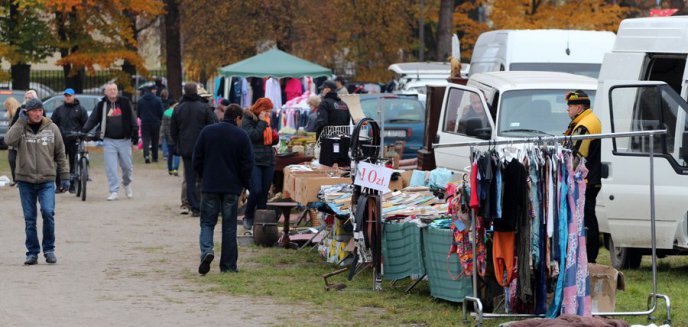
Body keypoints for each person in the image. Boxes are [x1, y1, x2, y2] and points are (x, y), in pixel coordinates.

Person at [4, 99, 69, 265]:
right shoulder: (20, 128)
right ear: (27, 112)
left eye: (40, 110)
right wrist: (19, 121)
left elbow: (60, 154)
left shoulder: (52, 128)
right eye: (34, 110)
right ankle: (32, 252)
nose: (38, 113)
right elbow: (8, 141)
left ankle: (49, 249)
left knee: (48, 213)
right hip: (25, 180)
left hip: (47, 179)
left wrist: (65, 177)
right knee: (30, 218)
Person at [193, 104, 254, 274]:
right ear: (238, 118)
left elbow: (196, 158)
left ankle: (207, 251)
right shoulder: (241, 136)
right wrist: (245, 185)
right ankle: (228, 266)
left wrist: (203, 176)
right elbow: (247, 165)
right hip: (231, 187)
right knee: (229, 226)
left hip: (210, 185)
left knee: (207, 223)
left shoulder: (207, 131)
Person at [82, 82, 139, 201]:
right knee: (111, 168)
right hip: (109, 141)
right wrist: (84, 131)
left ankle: (127, 183)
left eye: (114, 89)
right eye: (110, 90)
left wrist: (135, 138)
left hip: (125, 140)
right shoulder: (102, 105)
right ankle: (114, 191)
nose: (112, 91)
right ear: (105, 92)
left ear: (117, 91)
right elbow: (92, 120)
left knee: (127, 167)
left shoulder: (125, 102)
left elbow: (133, 119)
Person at [563, 89, 602, 263]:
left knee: (586, 217)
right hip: (592, 178)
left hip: (587, 180)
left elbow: (575, 156)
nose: (567, 110)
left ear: (578, 107)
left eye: (569, 106)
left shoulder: (584, 126)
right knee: (588, 216)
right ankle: (590, 254)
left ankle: (590, 256)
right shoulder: (588, 120)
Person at [171, 83, 217, 217]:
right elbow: (212, 126)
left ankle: (194, 206)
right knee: (203, 177)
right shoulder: (204, 107)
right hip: (203, 148)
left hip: (186, 148)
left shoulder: (178, 109)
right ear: (196, 91)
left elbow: (173, 131)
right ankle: (203, 204)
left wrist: (178, 143)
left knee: (189, 178)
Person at [242, 98, 279, 231]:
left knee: (264, 192)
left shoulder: (268, 119)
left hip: (268, 159)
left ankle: (262, 221)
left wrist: (275, 136)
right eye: (266, 110)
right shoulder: (248, 118)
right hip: (254, 159)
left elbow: (271, 141)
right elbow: (252, 136)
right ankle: (248, 215)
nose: (268, 113)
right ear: (260, 108)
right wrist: (262, 123)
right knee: (256, 189)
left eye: (269, 111)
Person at [51, 88, 89, 193]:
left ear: (74, 96)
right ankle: (59, 186)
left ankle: (73, 185)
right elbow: (53, 123)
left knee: (74, 164)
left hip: (75, 140)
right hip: (61, 141)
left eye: (70, 95)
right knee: (59, 163)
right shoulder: (59, 110)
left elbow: (86, 124)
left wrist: (82, 134)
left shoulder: (81, 109)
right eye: (66, 95)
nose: (68, 97)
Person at [137, 85, 165, 163]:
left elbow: (138, 113)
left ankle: (146, 155)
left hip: (145, 122)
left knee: (145, 139)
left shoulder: (141, 100)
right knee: (155, 140)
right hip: (156, 122)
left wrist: (143, 117)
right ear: (152, 91)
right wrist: (159, 119)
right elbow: (161, 112)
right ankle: (155, 157)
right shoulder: (158, 100)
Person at [4, 96, 21, 186]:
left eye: (7, 107)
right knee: (11, 159)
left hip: (18, 141)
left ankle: (19, 179)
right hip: (11, 142)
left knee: (17, 160)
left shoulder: (18, 113)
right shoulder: (10, 115)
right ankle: (15, 179)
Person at [160, 101, 180, 176]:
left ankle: (170, 170)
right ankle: (176, 169)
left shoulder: (166, 113)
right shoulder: (178, 112)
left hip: (168, 136)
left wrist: (163, 135)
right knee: (177, 154)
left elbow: (164, 126)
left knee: (170, 154)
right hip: (176, 137)